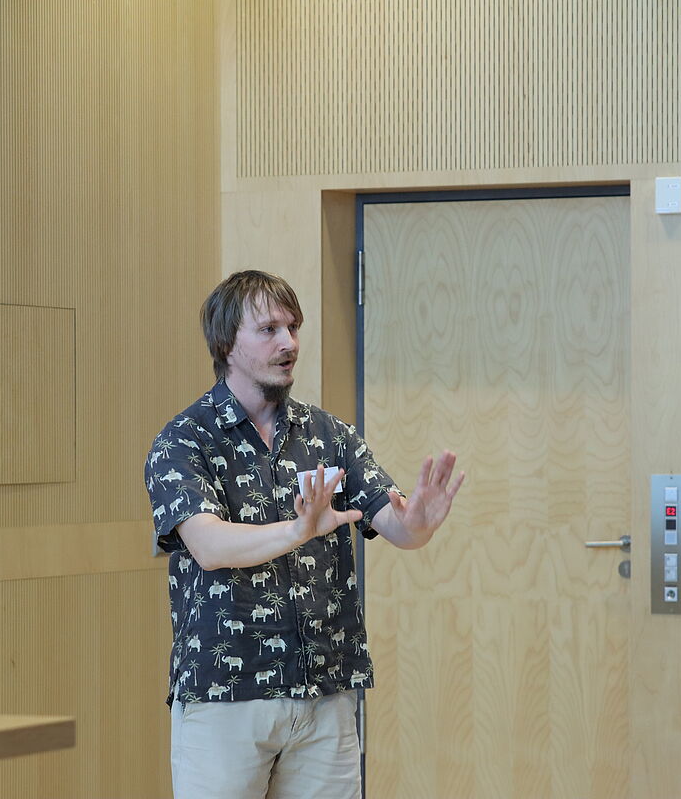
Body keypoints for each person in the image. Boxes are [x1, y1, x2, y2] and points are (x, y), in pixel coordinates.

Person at [145, 270, 464, 799]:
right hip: (227, 697)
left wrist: (417, 523)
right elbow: (208, 545)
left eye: (293, 327)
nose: (289, 343)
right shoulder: (184, 440)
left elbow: (396, 525)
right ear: (226, 345)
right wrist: (298, 530)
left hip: (325, 692)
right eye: (269, 329)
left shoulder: (329, 434)